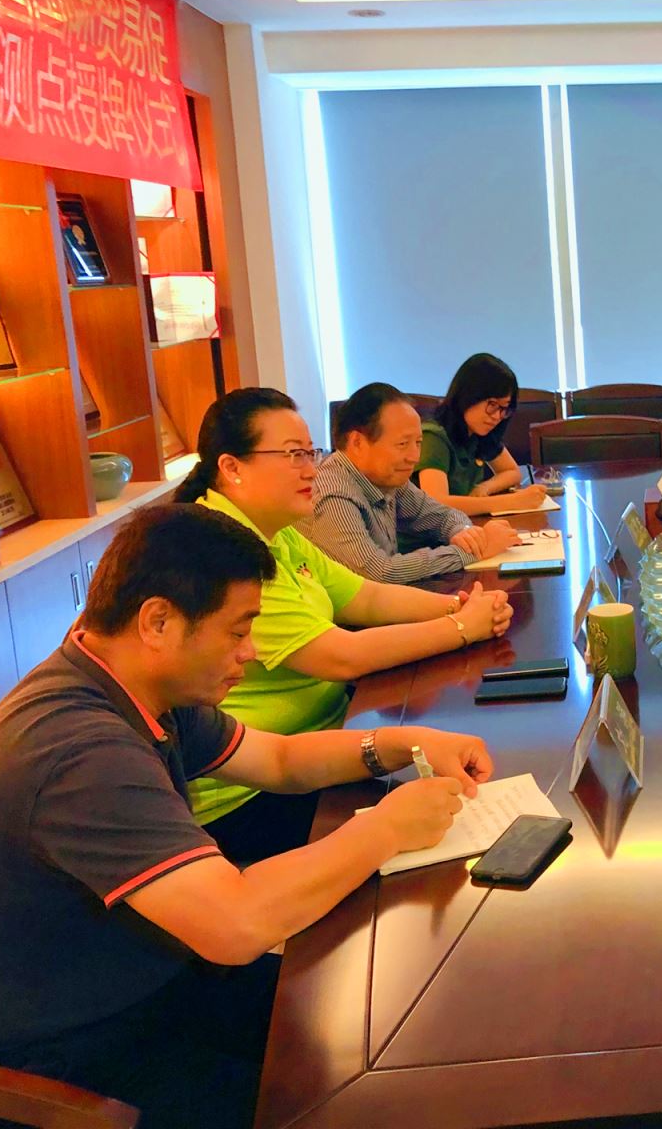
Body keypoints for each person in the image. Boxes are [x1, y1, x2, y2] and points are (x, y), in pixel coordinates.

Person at [0, 504, 490, 1129]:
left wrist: (403, 743)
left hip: (138, 983)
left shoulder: (138, 685)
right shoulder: (80, 751)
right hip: (45, 1060)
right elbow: (236, 923)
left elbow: (278, 760)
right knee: (349, 1094)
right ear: (158, 622)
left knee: (367, 1014)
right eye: (237, 631)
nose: (251, 651)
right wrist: (385, 828)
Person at [174, 387, 512, 862]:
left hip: (322, 745)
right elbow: (339, 656)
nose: (311, 469)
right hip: (251, 793)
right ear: (232, 468)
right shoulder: (220, 551)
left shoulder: (275, 532)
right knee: (458, 827)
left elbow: (366, 596)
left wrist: (458, 607)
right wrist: (462, 629)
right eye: (292, 455)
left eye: (309, 453)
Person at [304, 382, 518, 583]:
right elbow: (380, 573)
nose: (414, 457)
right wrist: (474, 551)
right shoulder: (333, 494)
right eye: (403, 444)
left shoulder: (388, 478)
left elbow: (443, 516)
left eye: (418, 443)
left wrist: (464, 532)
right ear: (357, 442)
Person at [417, 353, 547, 516]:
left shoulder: (478, 432)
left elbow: (512, 472)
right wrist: (512, 502)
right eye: (492, 404)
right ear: (468, 395)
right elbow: (436, 504)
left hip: (461, 525)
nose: (497, 416)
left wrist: (484, 487)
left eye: (503, 408)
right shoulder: (434, 437)